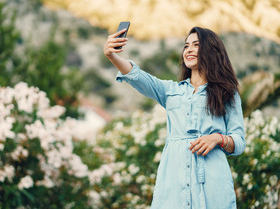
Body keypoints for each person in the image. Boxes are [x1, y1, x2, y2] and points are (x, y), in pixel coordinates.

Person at [103, 26, 246, 209]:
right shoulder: (171, 90)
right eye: (186, 46)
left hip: (213, 181)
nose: (189, 50)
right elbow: (137, 76)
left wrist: (217, 138)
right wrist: (112, 56)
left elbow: (239, 142)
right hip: (174, 179)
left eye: (196, 45)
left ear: (212, 51)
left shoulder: (227, 92)